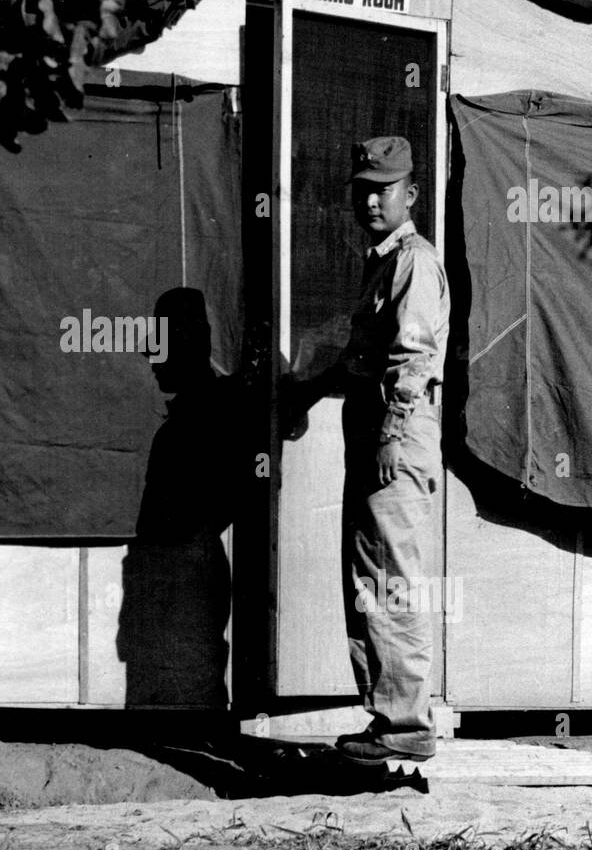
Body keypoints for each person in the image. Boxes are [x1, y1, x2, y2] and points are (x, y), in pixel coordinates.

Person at [281, 137, 449, 764]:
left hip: (395, 439)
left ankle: (404, 723)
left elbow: (414, 357)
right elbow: (361, 353)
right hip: (377, 433)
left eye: (384, 188)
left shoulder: (414, 262)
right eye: (363, 189)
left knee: (389, 577)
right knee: (372, 576)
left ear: (410, 194)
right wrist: (308, 386)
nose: (371, 199)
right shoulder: (380, 261)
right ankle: (390, 719)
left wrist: (389, 433)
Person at [118, 287, 241, 712]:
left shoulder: (212, 410)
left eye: (161, 349)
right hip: (175, 568)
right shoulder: (196, 412)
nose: (152, 362)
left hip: (188, 566)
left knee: (192, 694)